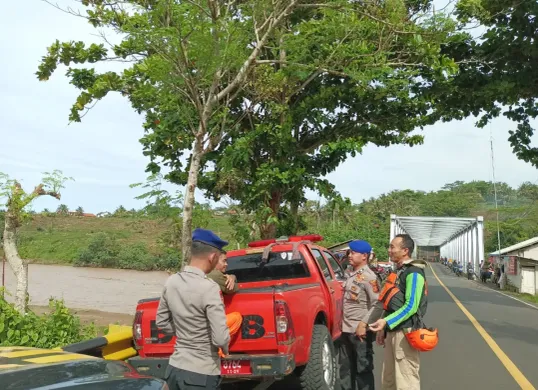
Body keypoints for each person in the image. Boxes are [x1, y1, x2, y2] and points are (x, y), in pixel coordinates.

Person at [156, 228, 230, 390]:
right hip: (201, 373)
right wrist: (225, 348)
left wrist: (185, 334)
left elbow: (161, 321)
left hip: (174, 368)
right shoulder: (209, 288)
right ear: (212, 257)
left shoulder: (172, 281)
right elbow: (220, 339)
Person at [369, 234, 428, 390]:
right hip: (393, 331)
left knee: (406, 380)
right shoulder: (399, 271)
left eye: (392, 247)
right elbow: (391, 302)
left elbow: (411, 306)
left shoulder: (414, 272)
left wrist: (386, 322)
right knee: (389, 379)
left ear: (405, 251)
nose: (389, 250)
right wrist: (385, 328)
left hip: (405, 332)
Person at [339, 240, 380, 390]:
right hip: (346, 329)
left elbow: (377, 304)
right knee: (345, 369)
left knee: (363, 370)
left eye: (353, 252)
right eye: (350, 252)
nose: (350, 255)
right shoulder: (350, 274)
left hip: (360, 332)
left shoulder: (369, 277)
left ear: (364, 256)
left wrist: (364, 324)